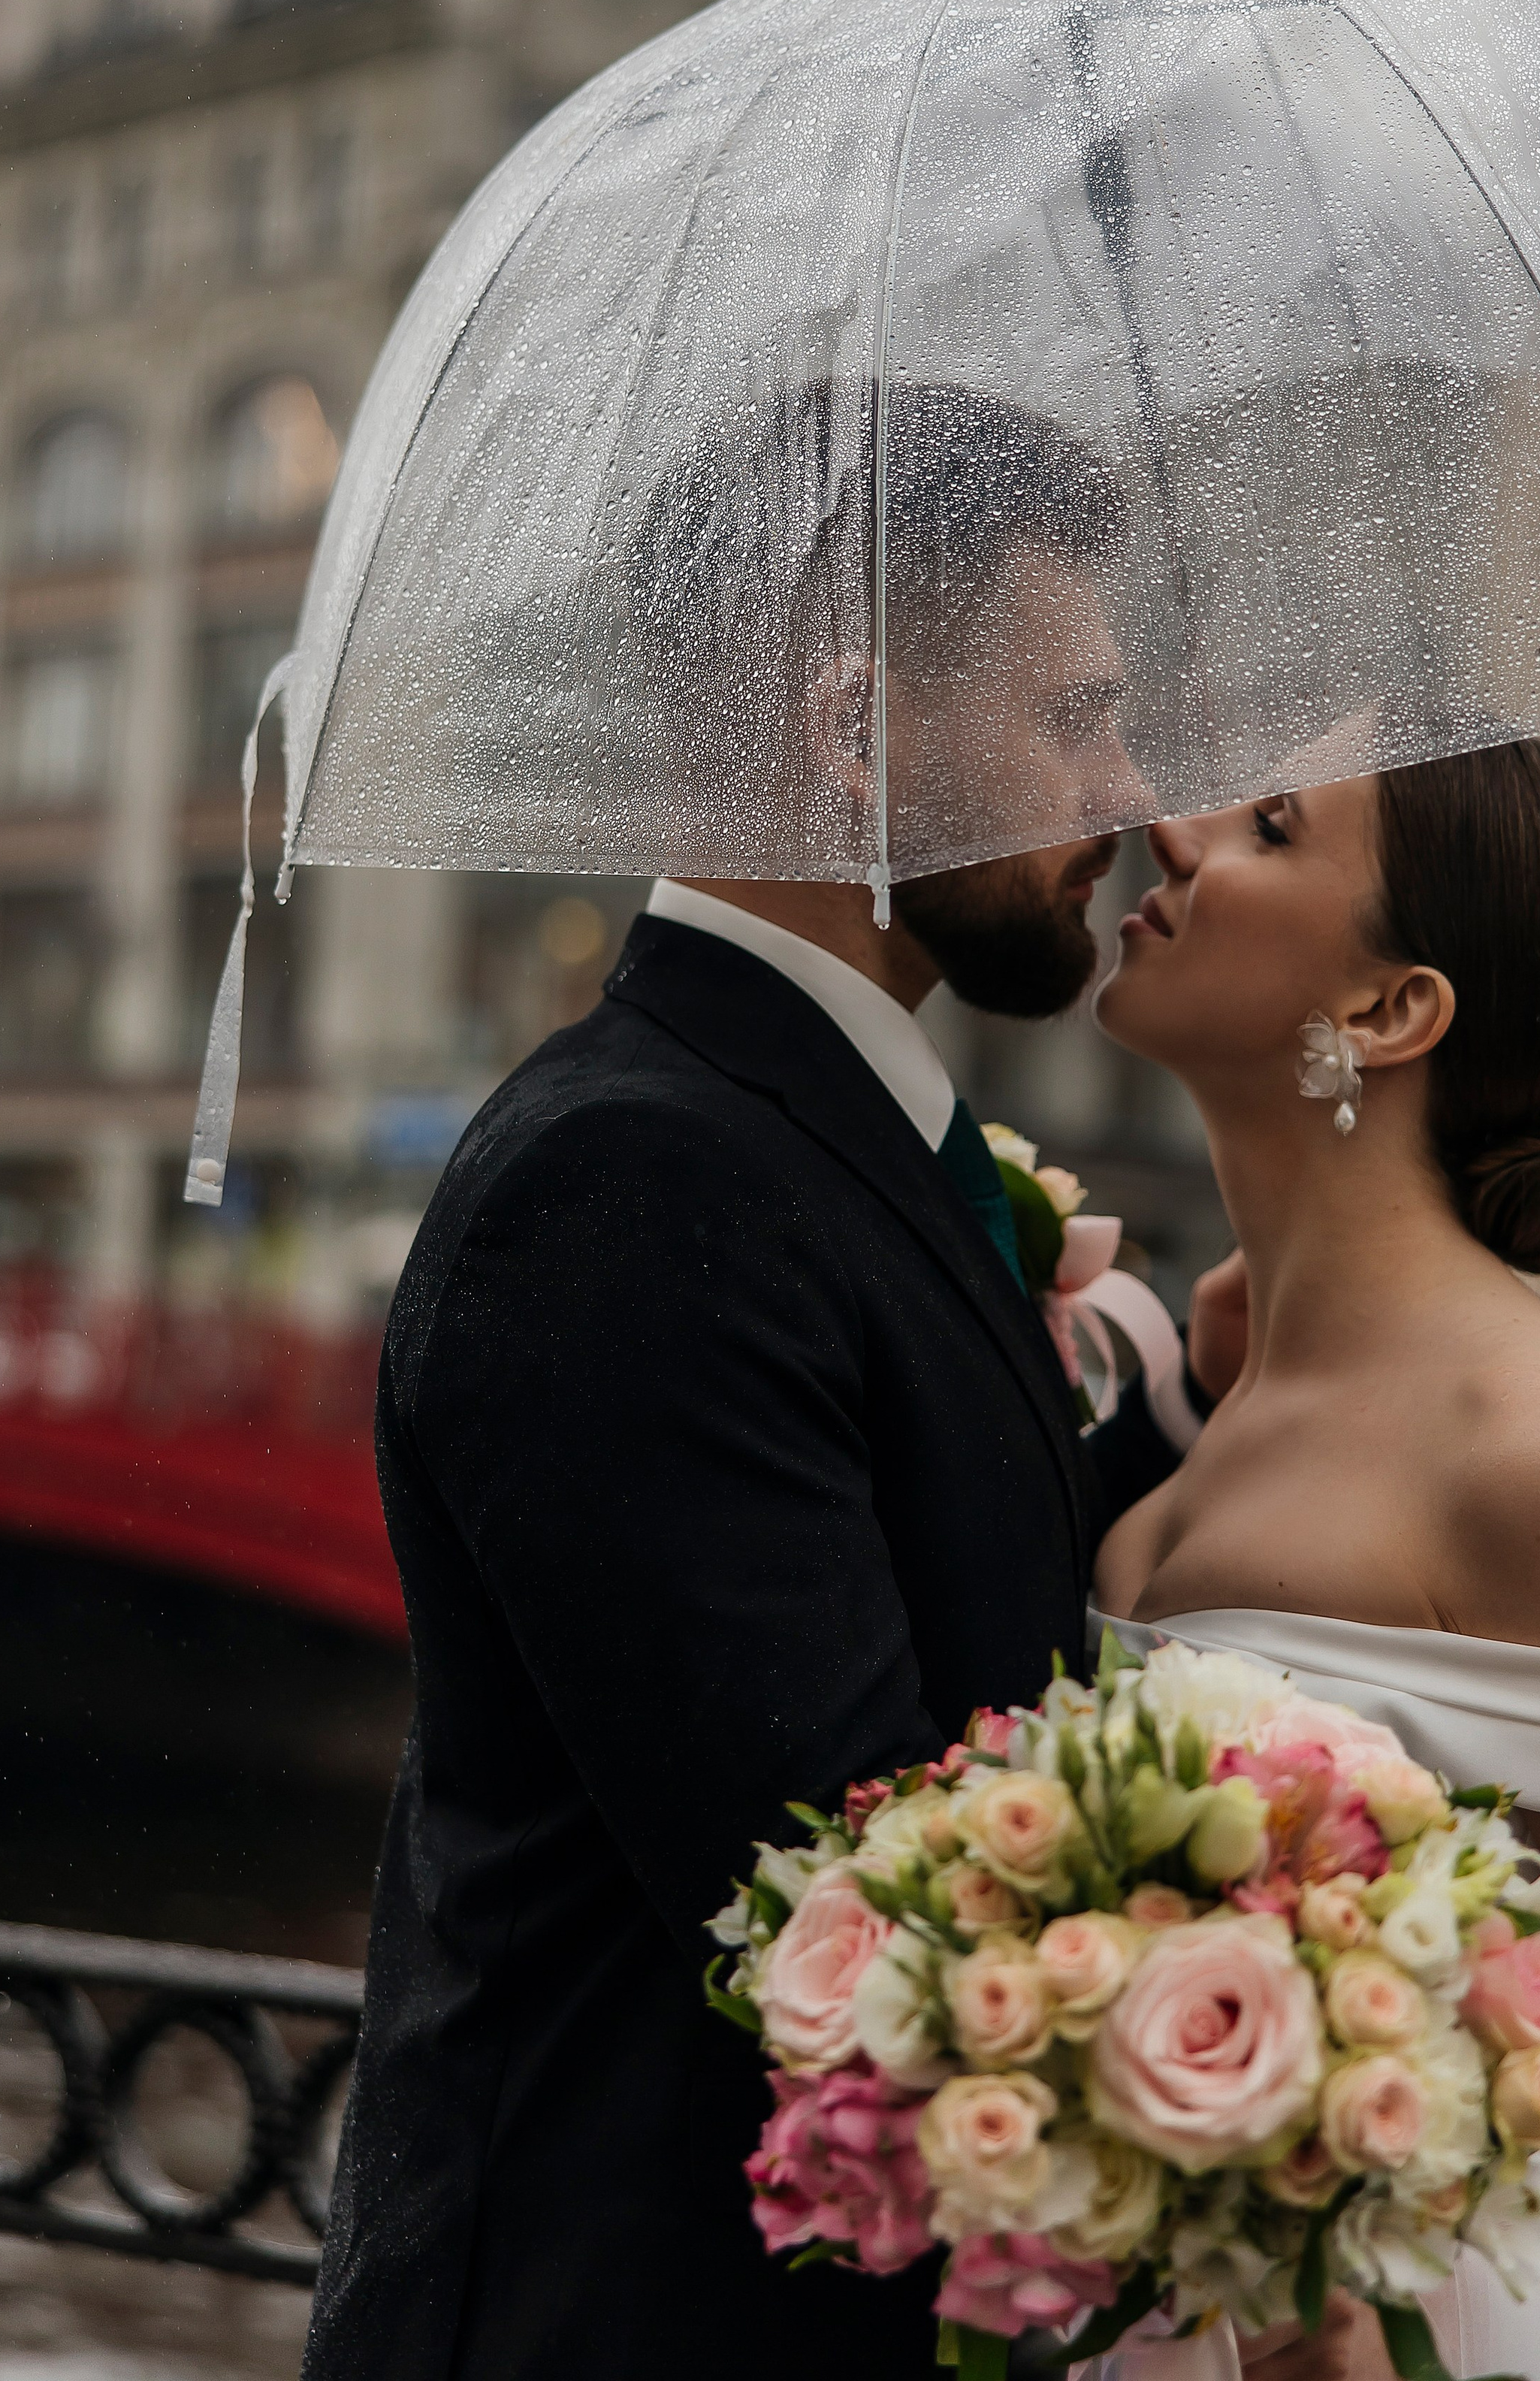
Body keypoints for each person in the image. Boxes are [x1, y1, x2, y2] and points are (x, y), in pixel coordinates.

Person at [300, 387, 1196, 2381]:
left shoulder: (799, 1145)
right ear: (858, 733)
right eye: (1074, 717)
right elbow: (846, 1888)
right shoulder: (630, 1186)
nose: (1130, 785)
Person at [1089, 740, 1540, 2379]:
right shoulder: (1216, 1415)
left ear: (1392, 1012)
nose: (1167, 826)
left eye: (1265, 827)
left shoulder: (1535, 1441)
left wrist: (1407, 2292)